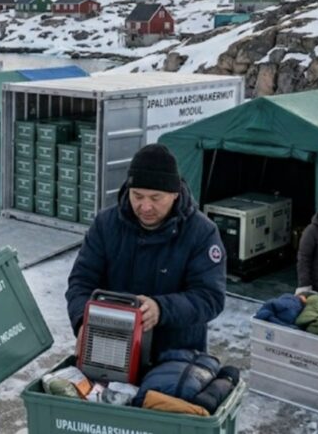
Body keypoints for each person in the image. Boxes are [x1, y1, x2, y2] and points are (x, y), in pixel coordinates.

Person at [66, 143, 227, 362]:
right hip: (111, 349)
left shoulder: (202, 232)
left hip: (176, 356)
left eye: (155, 198)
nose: (145, 207)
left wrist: (161, 309)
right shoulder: (105, 225)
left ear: (175, 193)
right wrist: (82, 321)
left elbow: (210, 297)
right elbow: (81, 282)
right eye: (137, 196)